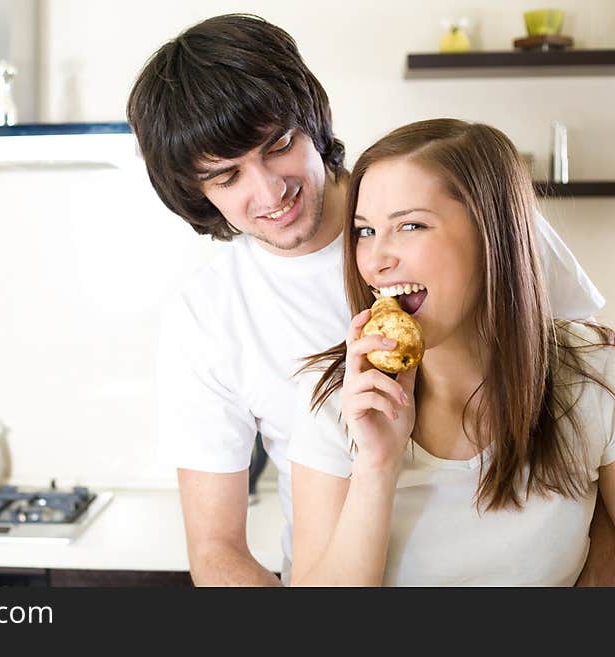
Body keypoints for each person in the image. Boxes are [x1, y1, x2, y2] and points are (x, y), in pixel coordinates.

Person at [126, 13, 613, 586]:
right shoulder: (214, 321)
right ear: (197, 193)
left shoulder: (470, 214)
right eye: (227, 177)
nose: (269, 191)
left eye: (278, 145)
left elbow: (585, 422)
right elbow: (216, 554)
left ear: (312, 122)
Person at [287, 118, 615, 586]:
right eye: (364, 231)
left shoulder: (596, 373)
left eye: (411, 225)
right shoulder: (335, 401)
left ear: (493, 235)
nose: (377, 260)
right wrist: (377, 463)